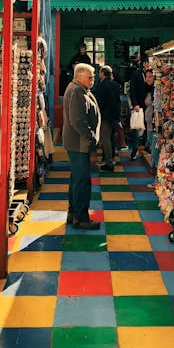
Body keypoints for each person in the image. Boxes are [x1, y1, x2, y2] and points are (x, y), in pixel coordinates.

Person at [62, 63, 101, 230]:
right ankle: (81, 218)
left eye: (93, 76)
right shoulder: (77, 91)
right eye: (90, 77)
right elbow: (77, 120)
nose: (93, 79)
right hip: (79, 144)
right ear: (79, 77)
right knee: (82, 181)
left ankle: (73, 213)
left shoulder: (78, 89)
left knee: (77, 180)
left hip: (78, 143)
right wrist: (91, 137)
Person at [94, 65, 121, 172]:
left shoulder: (102, 85)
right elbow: (117, 102)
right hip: (114, 116)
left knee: (105, 139)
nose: (98, 74)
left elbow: (100, 102)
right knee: (110, 138)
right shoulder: (115, 84)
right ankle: (109, 159)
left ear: (103, 73)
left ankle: (109, 163)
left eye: (100, 72)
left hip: (105, 116)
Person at [128, 53, 150, 160]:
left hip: (149, 105)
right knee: (136, 128)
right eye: (149, 63)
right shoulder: (136, 74)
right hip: (138, 104)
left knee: (147, 126)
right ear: (145, 63)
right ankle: (135, 150)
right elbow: (132, 90)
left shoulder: (152, 73)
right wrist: (134, 103)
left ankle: (146, 146)